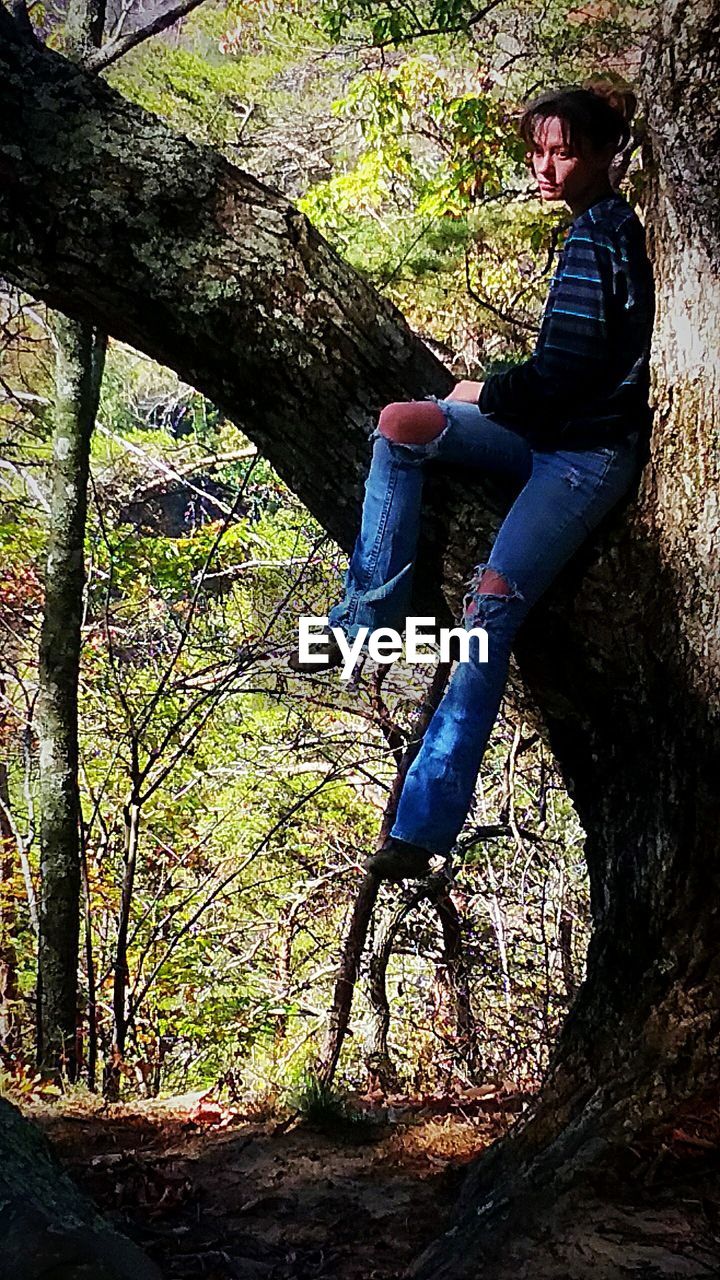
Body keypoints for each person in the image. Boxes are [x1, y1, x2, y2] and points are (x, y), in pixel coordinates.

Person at [289, 82, 655, 881]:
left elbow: (565, 374)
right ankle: (368, 614)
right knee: (399, 425)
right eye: (538, 150)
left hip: (584, 457)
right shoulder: (592, 228)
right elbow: (559, 379)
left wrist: (481, 392)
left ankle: (422, 827)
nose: (547, 166)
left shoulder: (602, 237)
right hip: (549, 432)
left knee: (488, 612)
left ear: (600, 156)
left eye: (563, 150)